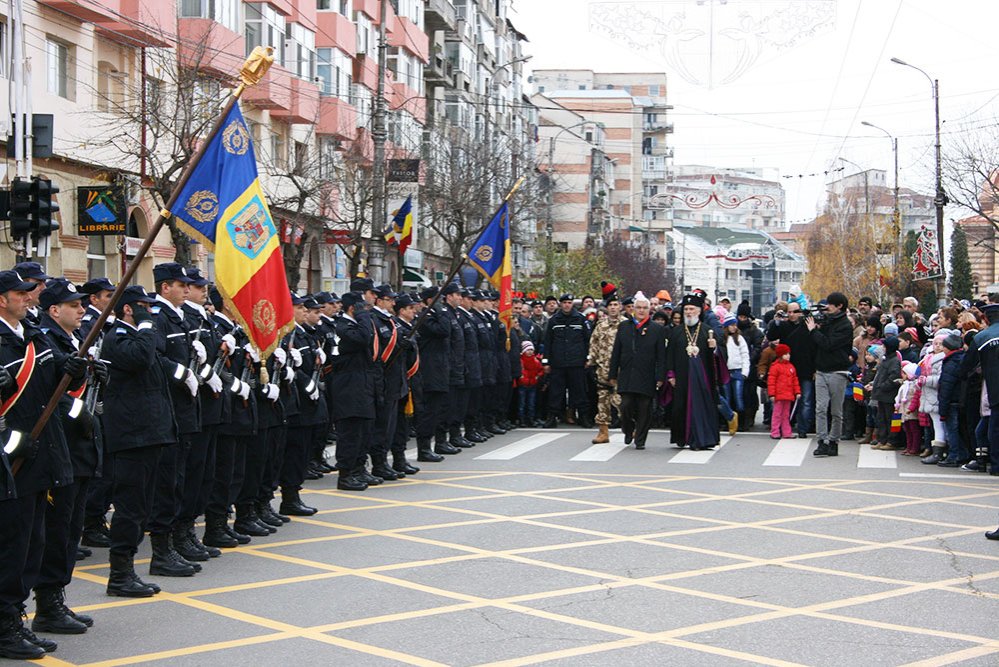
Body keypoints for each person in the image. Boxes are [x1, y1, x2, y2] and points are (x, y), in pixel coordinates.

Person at [32, 279, 104, 635]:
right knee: (57, 530)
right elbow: (48, 392)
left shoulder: (77, 338)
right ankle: (47, 603)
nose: (81, 310)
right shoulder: (45, 339)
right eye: (74, 305)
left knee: (71, 528)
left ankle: (57, 597)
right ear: (54, 309)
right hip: (62, 445)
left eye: (81, 305)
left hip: (81, 447)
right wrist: (79, 411)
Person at [102, 285, 176, 599]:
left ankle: (133, 568)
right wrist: (146, 325)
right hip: (131, 435)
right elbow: (143, 358)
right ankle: (120, 574)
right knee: (130, 509)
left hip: (150, 431)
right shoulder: (116, 338)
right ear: (129, 309)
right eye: (144, 306)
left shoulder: (140, 335)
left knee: (143, 506)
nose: (151, 311)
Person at [331, 292, 377, 491]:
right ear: (352, 309)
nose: (366, 311)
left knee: (362, 431)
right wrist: (363, 316)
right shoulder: (343, 327)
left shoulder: (354, 325)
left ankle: (358, 469)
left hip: (361, 383)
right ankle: (345, 474)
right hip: (348, 386)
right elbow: (364, 338)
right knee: (350, 433)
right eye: (362, 308)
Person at [608, 293, 666, 450]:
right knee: (625, 405)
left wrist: (661, 376)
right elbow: (616, 352)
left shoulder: (657, 329)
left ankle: (640, 439)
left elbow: (661, 355)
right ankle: (628, 429)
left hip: (647, 376)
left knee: (644, 409)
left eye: (644, 308)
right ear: (633, 309)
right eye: (638, 307)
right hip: (627, 374)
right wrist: (612, 374)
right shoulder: (624, 326)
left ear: (650, 310)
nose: (641, 311)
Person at [665, 294, 720, 450]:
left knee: (701, 407)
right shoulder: (676, 332)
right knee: (681, 407)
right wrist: (670, 374)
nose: (689, 312)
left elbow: (718, 358)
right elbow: (669, 355)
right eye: (686, 309)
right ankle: (683, 438)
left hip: (702, 378)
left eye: (692, 309)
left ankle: (702, 438)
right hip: (682, 376)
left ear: (699, 311)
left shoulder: (707, 331)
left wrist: (714, 348)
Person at [542, 294, 591, 428]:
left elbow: (588, 340)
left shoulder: (581, 319)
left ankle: (583, 417)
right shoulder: (554, 320)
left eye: (569, 302)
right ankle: (552, 417)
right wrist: (546, 362)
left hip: (577, 363)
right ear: (560, 304)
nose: (567, 305)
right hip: (558, 363)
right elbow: (548, 342)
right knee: (555, 392)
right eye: (564, 302)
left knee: (579, 392)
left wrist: (588, 358)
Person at [587, 292, 624, 444]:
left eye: (616, 305)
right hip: (603, 369)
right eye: (611, 305)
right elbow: (593, 345)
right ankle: (603, 432)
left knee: (622, 402)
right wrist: (591, 363)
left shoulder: (627, 325)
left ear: (620, 307)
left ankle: (631, 428)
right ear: (607, 308)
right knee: (602, 402)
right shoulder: (600, 326)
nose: (613, 308)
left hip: (621, 371)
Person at [767, 344, 800, 439]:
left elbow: (795, 381)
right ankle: (775, 431)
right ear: (781, 355)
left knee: (786, 414)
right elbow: (771, 382)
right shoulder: (775, 367)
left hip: (788, 395)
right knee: (777, 414)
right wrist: (772, 394)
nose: (788, 355)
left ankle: (786, 432)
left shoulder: (791, 367)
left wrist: (797, 391)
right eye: (786, 354)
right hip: (779, 395)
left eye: (789, 353)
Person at [518, 341, 542, 426]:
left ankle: (530, 419)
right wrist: (521, 377)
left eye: (531, 350)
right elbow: (519, 370)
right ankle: (522, 420)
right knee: (522, 404)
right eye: (528, 350)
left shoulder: (536, 361)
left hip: (532, 384)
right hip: (523, 384)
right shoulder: (521, 360)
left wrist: (537, 376)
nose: (530, 352)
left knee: (531, 403)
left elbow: (540, 370)